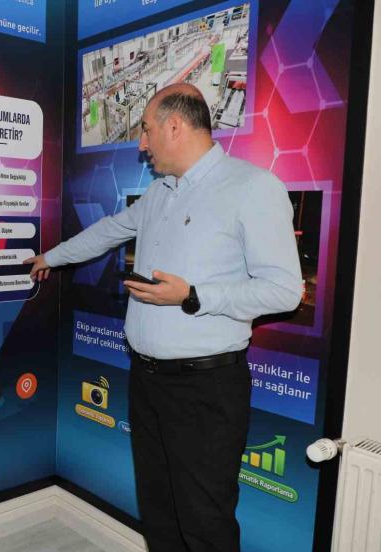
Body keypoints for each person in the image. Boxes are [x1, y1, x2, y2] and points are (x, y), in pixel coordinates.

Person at [24, 83, 302, 552]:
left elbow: (284, 290)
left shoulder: (253, 188)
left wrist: (192, 295)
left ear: (175, 126)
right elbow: (107, 232)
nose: (142, 144)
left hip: (204, 390)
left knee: (203, 523)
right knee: (159, 514)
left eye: (147, 130)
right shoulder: (159, 193)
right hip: (147, 381)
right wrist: (50, 257)